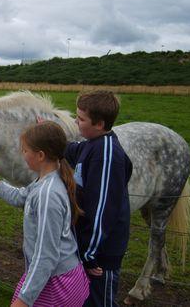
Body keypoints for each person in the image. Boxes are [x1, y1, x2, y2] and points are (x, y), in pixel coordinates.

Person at [0, 121, 89, 307]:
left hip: (55, 283)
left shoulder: (48, 194)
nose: (23, 154)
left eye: (25, 150)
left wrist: (23, 300)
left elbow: (46, 254)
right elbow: (22, 197)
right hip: (51, 275)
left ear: (40, 155)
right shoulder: (46, 180)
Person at [64, 90, 133, 307]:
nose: (76, 121)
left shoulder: (106, 155)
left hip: (101, 253)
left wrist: (89, 255)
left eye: (81, 119)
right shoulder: (91, 144)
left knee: (99, 301)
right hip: (89, 247)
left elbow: (102, 210)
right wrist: (48, 134)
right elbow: (71, 151)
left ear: (100, 123)